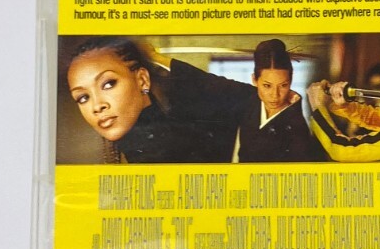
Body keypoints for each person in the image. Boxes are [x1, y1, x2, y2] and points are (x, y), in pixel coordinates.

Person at [64, 37, 253, 163]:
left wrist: (159, 59)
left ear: (142, 80)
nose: (97, 106)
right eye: (83, 97)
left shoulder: (177, 141)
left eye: (108, 84)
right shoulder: (140, 142)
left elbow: (249, 96)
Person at [234, 40, 325, 162]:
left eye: (283, 85)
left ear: (291, 81)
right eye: (267, 86)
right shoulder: (250, 101)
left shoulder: (296, 128)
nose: (275, 95)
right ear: (254, 80)